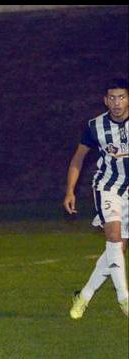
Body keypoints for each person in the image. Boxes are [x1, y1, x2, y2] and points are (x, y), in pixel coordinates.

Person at [64, 77, 129, 319]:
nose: (116, 102)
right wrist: (70, 190)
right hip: (107, 187)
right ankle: (125, 299)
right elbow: (78, 158)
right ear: (105, 100)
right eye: (112, 98)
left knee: (116, 252)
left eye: (121, 97)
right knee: (113, 237)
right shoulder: (95, 126)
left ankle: (84, 296)